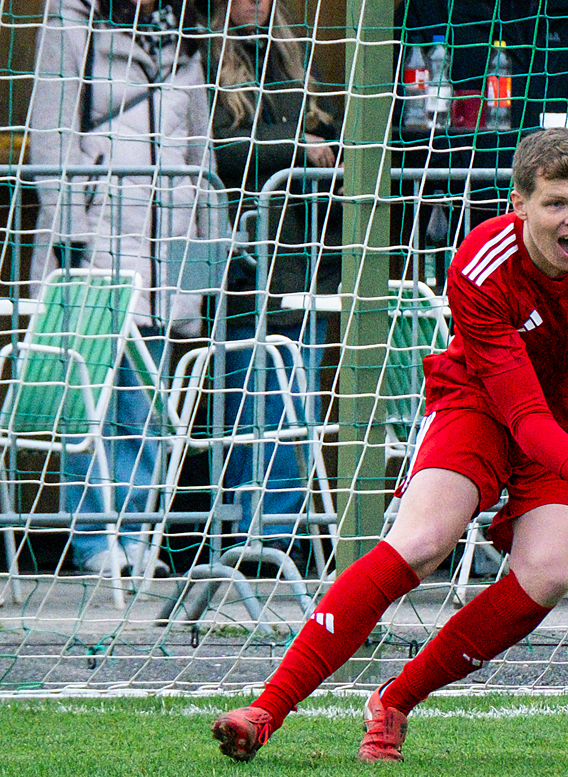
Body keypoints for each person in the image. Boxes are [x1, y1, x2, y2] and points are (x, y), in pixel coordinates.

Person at [211, 128, 568, 762]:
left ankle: (394, 701)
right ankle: (266, 709)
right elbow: (523, 414)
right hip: (483, 404)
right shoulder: (480, 265)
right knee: (421, 541)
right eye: (556, 203)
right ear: (519, 204)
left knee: (549, 573)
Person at [26, 0, 214, 579]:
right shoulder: (72, 22)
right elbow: (49, 133)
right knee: (91, 399)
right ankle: (93, 538)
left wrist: (206, 259)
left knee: (147, 401)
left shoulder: (186, 34)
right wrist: (70, 233)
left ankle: (134, 536)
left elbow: (200, 153)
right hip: (96, 237)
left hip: (166, 245)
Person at [205, 0, 341, 552]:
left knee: (296, 403)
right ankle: (253, 533)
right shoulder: (204, 56)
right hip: (246, 260)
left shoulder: (291, 55)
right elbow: (214, 149)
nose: (256, 1)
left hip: (306, 255)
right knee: (252, 402)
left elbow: (324, 125)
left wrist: (331, 145)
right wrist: (296, 148)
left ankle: (277, 535)